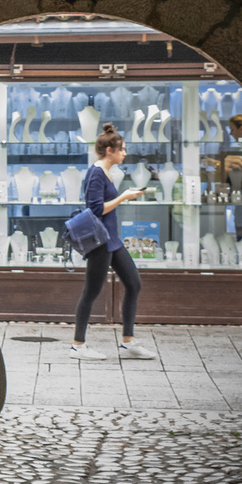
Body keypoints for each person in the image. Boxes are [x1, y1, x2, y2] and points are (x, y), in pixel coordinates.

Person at [69, 123, 157, 361]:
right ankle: (78, 345)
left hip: (113, 240)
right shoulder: (96, 173)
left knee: (134, 283)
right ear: (109, 150)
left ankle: (128, 342)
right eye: (122, 150)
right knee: (92, 292)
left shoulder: (106, 172)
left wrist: (123, 196)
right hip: (100, 243)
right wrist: (123, 197)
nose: (125, 153)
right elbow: (95, 209)